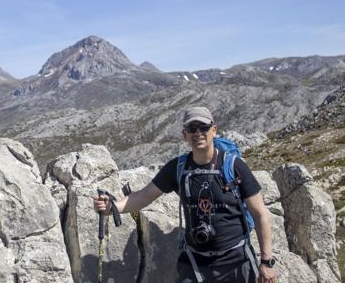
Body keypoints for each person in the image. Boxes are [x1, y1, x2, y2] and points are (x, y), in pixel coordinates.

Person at [94, 106, 277, 283]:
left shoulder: (234, 166)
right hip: (195, 262)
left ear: (214, 130)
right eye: (192, 128)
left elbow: (260, 214)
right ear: (185, 135)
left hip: (237, 260)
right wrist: (113, 207)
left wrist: (266, 261)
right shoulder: (178, 168)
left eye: (204, 127)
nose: (198, 133)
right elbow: (144, 196)